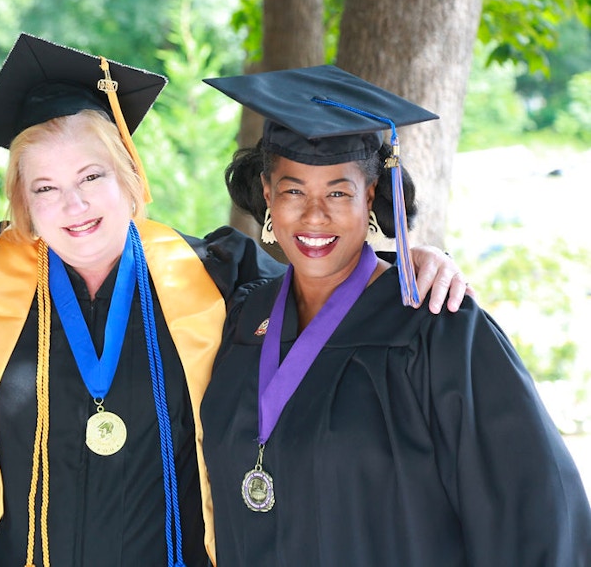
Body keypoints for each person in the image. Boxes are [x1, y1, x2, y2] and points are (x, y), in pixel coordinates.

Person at [0, 35, 471, 567]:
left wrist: (396, 261)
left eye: (91, 178)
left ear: (130, 176)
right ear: (21, 204)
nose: (73, 206)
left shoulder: (217, 274)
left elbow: (320, 294)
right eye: (45, 188)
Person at [199, 65, 591, 566]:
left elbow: (534, 511)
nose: (315, 215)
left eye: (338, 193)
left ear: (372, 197)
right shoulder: (242, 314)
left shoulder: (437, 325)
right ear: (268, 194)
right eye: (294, 190)